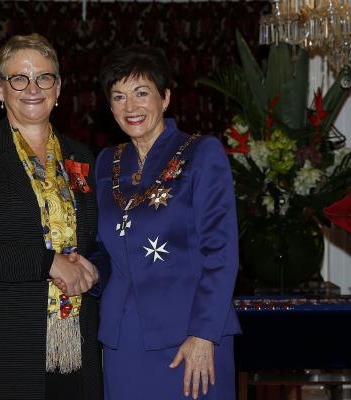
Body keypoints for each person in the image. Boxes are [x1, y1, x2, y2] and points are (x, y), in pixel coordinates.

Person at [0, 34, 102, 400]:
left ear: (58, 87)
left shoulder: (82, 157)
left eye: (44, 77)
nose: (33, 88)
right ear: (0, 88)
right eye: (19, 78)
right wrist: (50, 263)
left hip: (74, 341)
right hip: (0, 344)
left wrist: (95, 268)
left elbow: (98, 238)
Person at [92, 45, 241, 399]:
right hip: (122, 340)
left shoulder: (201, 153)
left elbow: (221, 251)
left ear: (166, 97)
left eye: (141, 93)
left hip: (191, 335)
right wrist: (84, 271)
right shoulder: (104, 163)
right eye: (119, 96)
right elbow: (101, 247)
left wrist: (204, 334)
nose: (131, 107)